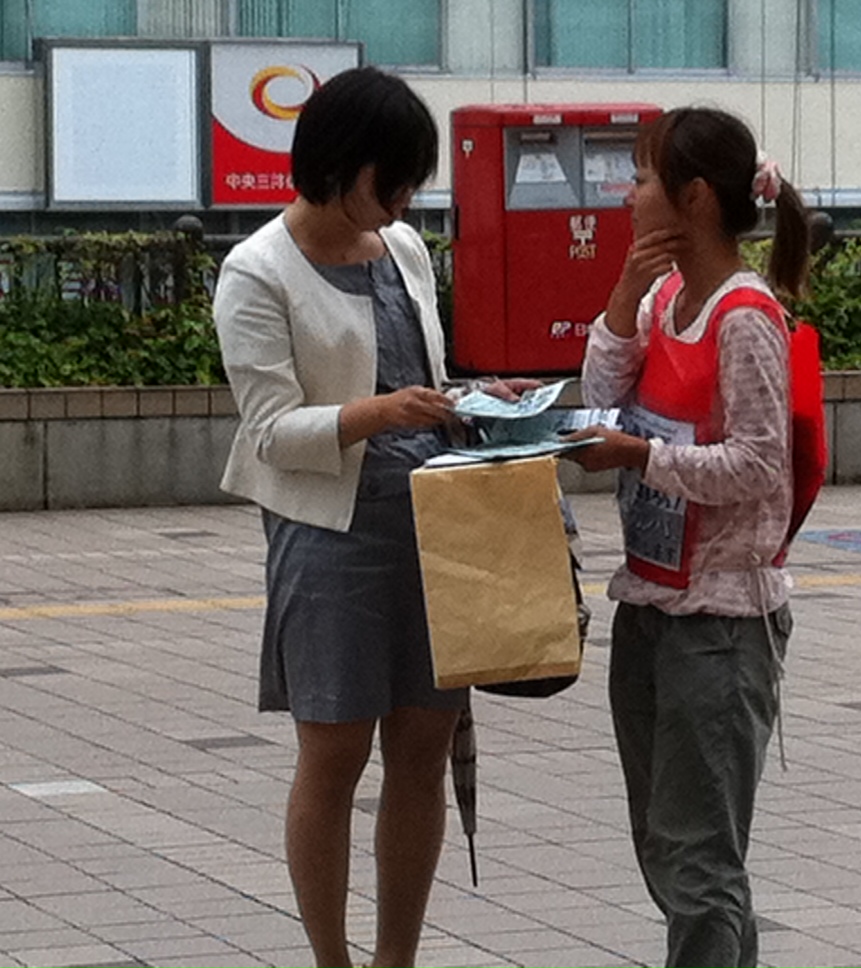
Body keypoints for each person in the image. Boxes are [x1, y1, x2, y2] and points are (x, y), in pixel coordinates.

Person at [214, 68, 527, 968]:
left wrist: (475, 399)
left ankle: (397, 959)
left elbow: (421, 378)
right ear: (341, 165)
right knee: (334, 755)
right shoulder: (257, 270)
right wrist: (377, 414)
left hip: (435, 524)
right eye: (390, 184)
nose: (400, 205)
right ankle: (333, 961)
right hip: (330, 536)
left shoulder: (404, 251)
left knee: (423, 751)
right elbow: (269, 431)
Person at [563, 106, 809, 968]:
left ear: (694, 197)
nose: (627, 195)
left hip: (719, 624)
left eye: (641, 178)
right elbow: (600, 394)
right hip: (651, 605)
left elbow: (760, 464)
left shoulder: (745, 317)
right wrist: (624, 293)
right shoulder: (668, 297)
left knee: (699, 861)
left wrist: (642, 455)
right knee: (668, 847)